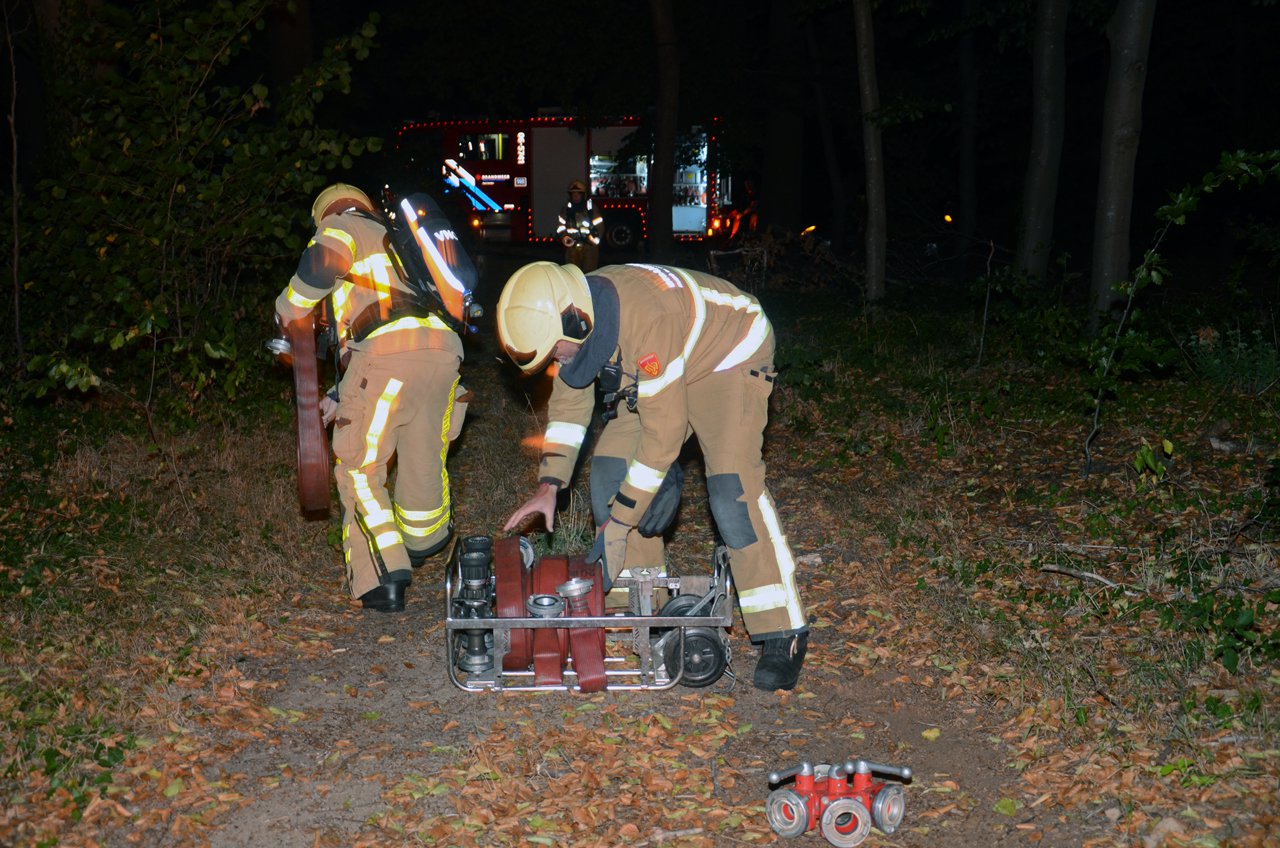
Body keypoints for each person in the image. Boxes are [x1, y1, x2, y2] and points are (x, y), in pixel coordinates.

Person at [495, 261, 810, 690]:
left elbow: (663, 438)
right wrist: (550, 484)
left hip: (729, 356)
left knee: (732, 490)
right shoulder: (578, 321)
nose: (556, 360)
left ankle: (783, 630)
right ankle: (649, 610)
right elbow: (569, 408)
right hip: (668, 360)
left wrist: (621, 521)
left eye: (555, 351)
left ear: (576, 321)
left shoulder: (647, 320)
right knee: (612, 473)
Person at [274, 183, 467, 613]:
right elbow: (383, 317)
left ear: (325, 214)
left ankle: (383, 577)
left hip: (387, 358)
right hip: (443, 355)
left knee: (360, 468)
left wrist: (285, 310)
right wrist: (338, 393)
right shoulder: (397, 238)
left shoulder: (341, 227)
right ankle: (424, 540)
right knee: (423, 454)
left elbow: (318, 269)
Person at [556, 179, 603, 272]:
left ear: (583, 195)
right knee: (572, 272)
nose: (576, 196)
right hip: (572, 246)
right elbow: (560, 227)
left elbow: (600, 227)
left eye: (578, 194)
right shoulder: (566, 210)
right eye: (573, 194)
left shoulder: (591, 209)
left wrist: (592, 240)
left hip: (589, 247)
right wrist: (565, 237)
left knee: (589, 272)